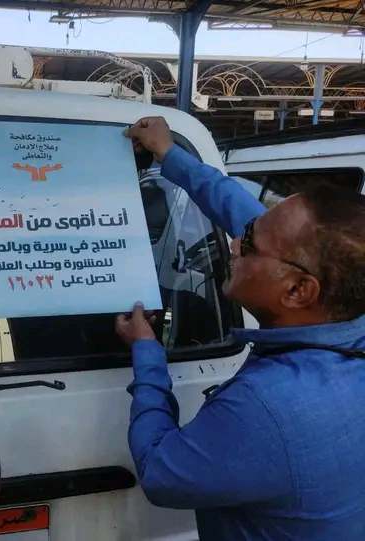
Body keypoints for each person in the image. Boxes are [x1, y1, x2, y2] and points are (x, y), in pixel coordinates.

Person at [117, 116, 365, 540]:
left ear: (298, 291)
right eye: (246, 232)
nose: (233, 243)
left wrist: (147, 355)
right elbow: (243, 214)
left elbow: (160, 471)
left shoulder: (268, 407)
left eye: (248, 245)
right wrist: (171, 155)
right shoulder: (342, 309)